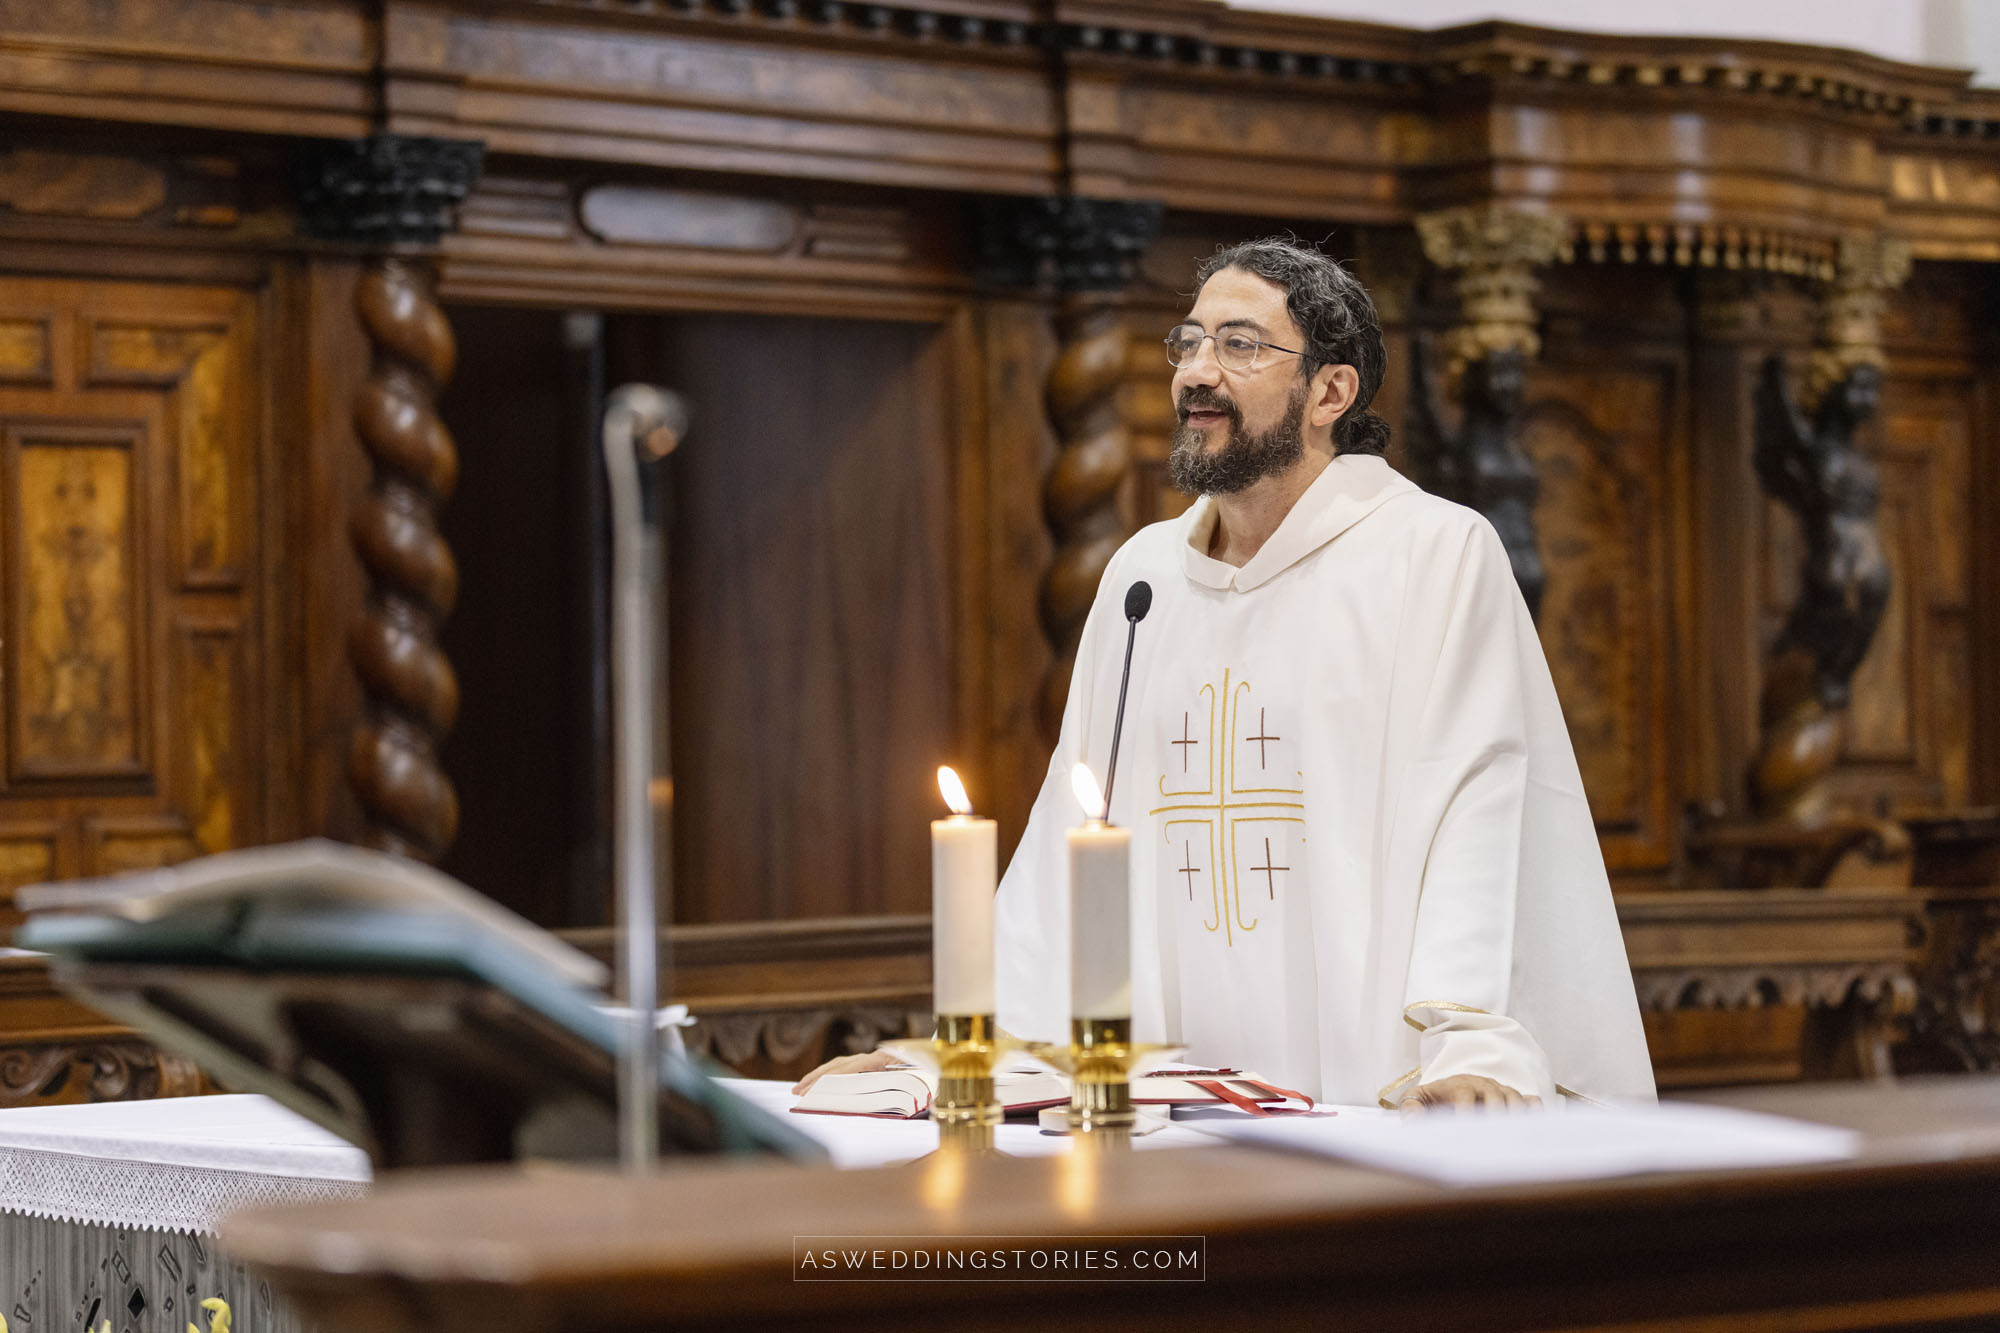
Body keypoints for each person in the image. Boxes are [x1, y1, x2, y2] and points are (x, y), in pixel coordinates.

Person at [799, 237, 1654, 1111]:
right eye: (1190, 342)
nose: (1196, 373)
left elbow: (1481, 805)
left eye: (1239, 345)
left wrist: (1468, 1045)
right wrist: (962, 1052)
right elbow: (1071, 833)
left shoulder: (1433, 554)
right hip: (1181, 1115)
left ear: (1330, 392)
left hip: (1378, 1097)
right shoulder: (1143, 578)